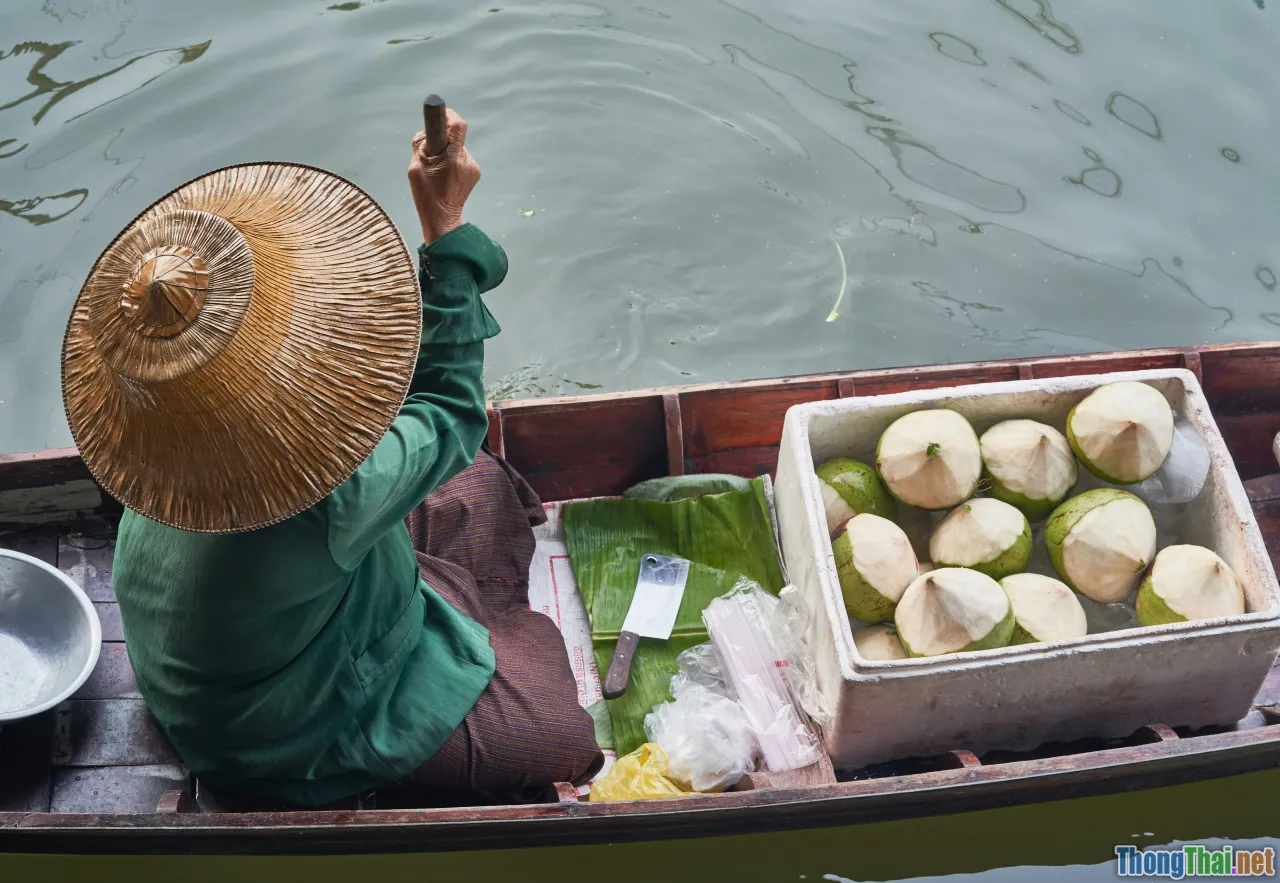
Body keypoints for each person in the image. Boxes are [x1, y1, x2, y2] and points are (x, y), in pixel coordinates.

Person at [60, 110, 603, 807]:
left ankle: (458, 618)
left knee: (476, 483)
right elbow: (451, 409)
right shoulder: (331, 501)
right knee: (561, 731)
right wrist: (444, 225)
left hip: (236, 651)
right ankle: (472, 644)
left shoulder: (161, 442)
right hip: (280, 735)